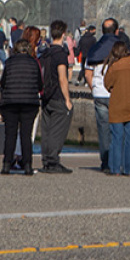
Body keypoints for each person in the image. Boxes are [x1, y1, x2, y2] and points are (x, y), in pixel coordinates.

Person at [0, 38, 43, 175]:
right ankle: (28, 165)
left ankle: (6, 164)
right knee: (26, 134)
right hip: (29, 102)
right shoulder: (34, 63)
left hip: (10, 101)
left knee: (10, 134)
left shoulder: (9, 63)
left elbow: (3, 82)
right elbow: (40, 84)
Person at [84, 18, 120, 171]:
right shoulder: (121, 49)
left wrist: (94, 89)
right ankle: (117, 162)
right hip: (117, 94)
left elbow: (87, 74)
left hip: (99, 93)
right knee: (118, 129)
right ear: (116, 31)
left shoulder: (95, 48)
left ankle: (105, 162)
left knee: (103, 129)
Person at [39, 20, 75, 174]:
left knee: (46, 129)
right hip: (57, 95)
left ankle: (46, 160)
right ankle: (53, 160)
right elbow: (62, 78)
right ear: (64, 34)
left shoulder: (46, 52)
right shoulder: (60, 54)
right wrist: (67, 99)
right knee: (57, 129)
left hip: (46, 95)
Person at [102, 40, 130, 176]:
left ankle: (114, 168)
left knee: (116, 138)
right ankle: (129, 169)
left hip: (117, 106)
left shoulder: (115, 66)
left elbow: (107, 84)